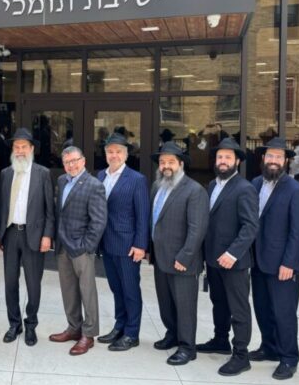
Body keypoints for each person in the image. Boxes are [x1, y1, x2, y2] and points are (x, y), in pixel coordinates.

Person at [196, 138, 258, 376]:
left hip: (234, 261)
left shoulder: (245, 188)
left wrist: (233, 253)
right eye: (220, 157)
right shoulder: (213, 184)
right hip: (213, 258)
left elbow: (250, 226)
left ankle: (241, 355)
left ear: (237, 161)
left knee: (238, 307)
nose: (223, 161)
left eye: (228, 158)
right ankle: (220, 340)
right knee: (218, 302)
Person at [250, 137, 299, 380]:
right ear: (264, 159)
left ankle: (289, 358)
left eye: (278, 157)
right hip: (257, 260)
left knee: (284, 313)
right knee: (262, 308)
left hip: (282, 264)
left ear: (285, 161)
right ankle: (269, 347)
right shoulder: (254, 184)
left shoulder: (295, 190)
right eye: (270, 156)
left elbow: (298, 231)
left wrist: (290, 263)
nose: (273, 160)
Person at [150, 142, 209, 366]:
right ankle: (172, 334)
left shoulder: (194, 190)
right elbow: (154, 221)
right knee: (166, 303)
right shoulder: (156, 186)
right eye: (162, 162)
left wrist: (185, 257)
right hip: (160, 257)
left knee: (185, 307)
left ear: (181, 164)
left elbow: (197, 229)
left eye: (171, 162)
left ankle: (187, 347)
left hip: (183, 261)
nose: (166, 166)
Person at [0, 128, 55, 346]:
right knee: (10, 282)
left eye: (24, 147)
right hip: (11, 234)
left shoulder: (43, 173)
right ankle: (14, 324)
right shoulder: (6, 173)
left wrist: (47, 236)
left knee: (33, 284)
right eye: (16, 147)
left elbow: (50, 210)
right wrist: (0, 233)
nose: (20, 151)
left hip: (35, 236)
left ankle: (31, 324)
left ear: (32, 149)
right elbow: (1, 206)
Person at [48, 146, 107, 356]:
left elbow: (99, 221)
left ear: (83, 161)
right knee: (68, 290)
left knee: (87, 291)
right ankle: (74, 328)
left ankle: (88, 334)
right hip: (63, 246)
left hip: (81, 248)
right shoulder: (62, 181)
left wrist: (86, 245)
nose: (71, 165)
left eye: (74, 161)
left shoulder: (94, 185)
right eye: (67, 162)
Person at [96, 134, 149, 352]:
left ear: (126, 155)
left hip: (128, 245)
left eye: (118, 151)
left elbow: (143, 214)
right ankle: (120, 326)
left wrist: (140, 245)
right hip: (106, 243)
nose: (114, 155)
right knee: (116, 288)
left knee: (130, 290)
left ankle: (131, 333)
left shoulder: (137, 179)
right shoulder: (100, 175)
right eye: (110, 151)